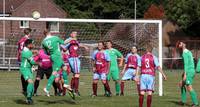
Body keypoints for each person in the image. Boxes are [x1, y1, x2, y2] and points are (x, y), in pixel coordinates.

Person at [41, 29, 74, 99]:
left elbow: (45, 52)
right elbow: (63, 43)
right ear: (50, 32)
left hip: (53, 56)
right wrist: (71, 38)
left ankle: (65, 83)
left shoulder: (43, 42)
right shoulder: (55, 38)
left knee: (64, 68)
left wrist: (51, 53)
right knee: (55, 72)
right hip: (57, 56)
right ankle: (47, 88)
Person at [64, 31, 88, 96]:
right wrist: (70, 40)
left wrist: (84, 46)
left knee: (75, 75)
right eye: (74, 33)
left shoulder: (76, 41)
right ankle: (76, 91)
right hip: (73, 58)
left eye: (76, 33)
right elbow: (63, 45)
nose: (75, 34)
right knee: (77, 74)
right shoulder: (69, 40)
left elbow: (79, 44)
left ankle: (72, 90)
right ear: (71, 34)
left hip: (76, 58)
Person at [176, 41, 199, 107]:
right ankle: (183, 101)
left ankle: (196, 103)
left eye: (181, 42)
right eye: (180, 43)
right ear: (179, 46)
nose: (182, 43)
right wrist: (184, 73)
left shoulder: (186, 52)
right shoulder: (185, 52)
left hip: (190, 72)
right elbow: (186, 64)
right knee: (181, 85)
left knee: (189, 87)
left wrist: (185, 74)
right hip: (189, 71)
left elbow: (187, 64)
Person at [19, 39, 37, 104]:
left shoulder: (27, 51)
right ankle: (28, 98)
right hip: (25, 69)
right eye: (33, 43)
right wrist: (40, 63)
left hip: (28, 69)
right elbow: (32, 62)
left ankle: (27, 94)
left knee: (31, 87)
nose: (34, 45)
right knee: (31, 82)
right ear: (29, 45)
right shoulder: (27, 52)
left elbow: (30, 58)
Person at [17, 28, 32, 96]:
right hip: (25, 56)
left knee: (23, 73)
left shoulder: (20, 40)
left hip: (21, 57)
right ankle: (27, 89)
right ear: (29, 33)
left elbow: (19, 49)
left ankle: (24, 89)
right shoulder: (27, 40)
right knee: (27, 72)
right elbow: (29, 48)